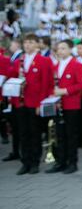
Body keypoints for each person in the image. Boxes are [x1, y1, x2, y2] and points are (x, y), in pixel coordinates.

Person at [13, 34, 53, 175]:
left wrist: (40, 104)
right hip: (22, 101)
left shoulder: (44, 60)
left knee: (35, 132)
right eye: (25, 43)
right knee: (23, 133)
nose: (27, 45)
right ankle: (25, 161)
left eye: (31, 42)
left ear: (37, 44)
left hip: (35, 102)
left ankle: (35, 162)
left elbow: (46, 83)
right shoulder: (21, 60)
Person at [45, 39, 82, 174]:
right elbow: (51, 85)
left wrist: (65, 91)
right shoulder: (55, 66)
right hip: (58, 104)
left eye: (63, 48)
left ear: (70, 50)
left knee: (71, 134)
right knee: (59, 134)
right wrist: (52, 94)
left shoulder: (76, 65)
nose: (60, 51)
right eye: (58, 49)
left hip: (71, 104)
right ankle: (60, 161)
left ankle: (72, 162)